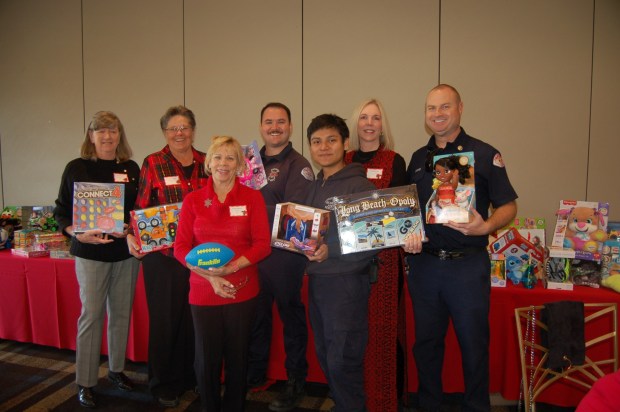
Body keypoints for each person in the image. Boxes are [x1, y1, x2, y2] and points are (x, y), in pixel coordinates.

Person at [405, 84, 518, 412]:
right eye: (430, 108)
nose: (437, 114)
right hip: (425, 267)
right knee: (425, 346)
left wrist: (485, 226)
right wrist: (409, 235)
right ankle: (428, 405)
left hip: (467, 268)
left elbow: (509, 206)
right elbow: (410, 212)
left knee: (473, 346)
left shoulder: (484, 154)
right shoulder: (417, 159)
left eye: (444, 107)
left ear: (460, 108)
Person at [173, 135, 272, 412]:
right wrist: (211, 278)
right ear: (208, 163)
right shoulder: (192, 201)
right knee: (206, 359)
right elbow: (181, 248)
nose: (223, 163)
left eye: (230, 157)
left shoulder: (252, 198)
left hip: (242, 288)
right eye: (218, 157)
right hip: (203, 291)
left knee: (238, 358)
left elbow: (262, 245)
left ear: (241, 165)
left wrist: (231, 268)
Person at [53, 111, 140, 408]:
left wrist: (132, 225)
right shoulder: (76, 168)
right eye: (100, 131)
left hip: (124, 255)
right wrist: (75, 233)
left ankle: (116, 371)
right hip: (90, 253)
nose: (107, 136)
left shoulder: (130, 167)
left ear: (120, 134)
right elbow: (61, 211)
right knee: (91, 316)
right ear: (91, 136)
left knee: (121, 314)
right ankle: (86, 382)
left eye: (113, 130)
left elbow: (137, 210)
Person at [127, 105, 208, 407]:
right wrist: (133, 234)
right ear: (165, 132)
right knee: (165, 320)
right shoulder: (153, 162)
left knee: (193, 319)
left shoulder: (205, 162)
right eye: (173, 128)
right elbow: (140, 207)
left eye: (184, 127)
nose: (179, 133)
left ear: (193, 130)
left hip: (198, 256)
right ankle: (162, 383)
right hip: (161, 258)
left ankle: (189, 377)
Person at [303, 113, 377, 412]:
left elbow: (370, 238)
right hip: (319, 281)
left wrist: (329, 251)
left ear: (345, 143)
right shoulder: (316, 184)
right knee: (326, 355)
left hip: (346, 284)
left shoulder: (358, 185)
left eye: (331, 140)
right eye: (317, 142)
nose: (323, 147)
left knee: (343, 360)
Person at [247, 103, 315, 411]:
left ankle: (295, 381)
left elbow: (295, 216)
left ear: (290, 126)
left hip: (284, 256)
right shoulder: (249, 161)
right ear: (260, 126)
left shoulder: (298, 164)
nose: (274, 127)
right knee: (257, 317)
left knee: (291, 319)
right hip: (253, 255)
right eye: (268, 122)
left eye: (281, 122)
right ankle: (256, 372)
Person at [345, 98, 408, 411]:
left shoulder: (395, 160)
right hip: (347, 265)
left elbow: (399, 212)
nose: (369, 123)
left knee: (384, 331)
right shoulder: (342, 158)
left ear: (383, 125)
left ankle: (385, 398)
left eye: (376, 118)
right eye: (364, 117)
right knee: (351, 331)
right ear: (356, 123)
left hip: (384, 263)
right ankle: (352, 398)